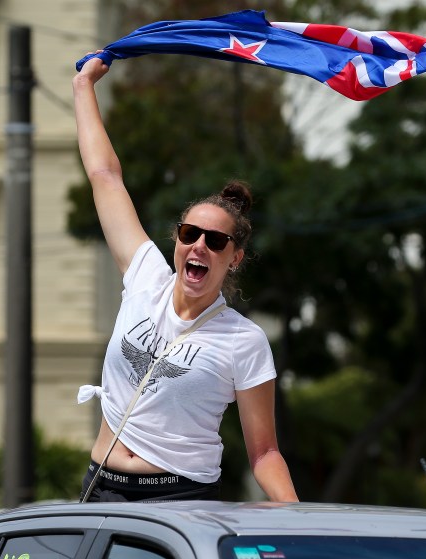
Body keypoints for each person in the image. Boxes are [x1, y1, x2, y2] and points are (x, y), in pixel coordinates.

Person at [73, 52, 299, 503]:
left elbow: (265, 452)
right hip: (102, 488)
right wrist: (83, 88)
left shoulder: (244, 341)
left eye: (216, 241)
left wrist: (300, 523)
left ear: (234, 258)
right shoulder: (145, 279)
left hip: (180, 497)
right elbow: (105, 176)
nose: (199, 246)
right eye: (190, 233)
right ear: (177, 241)